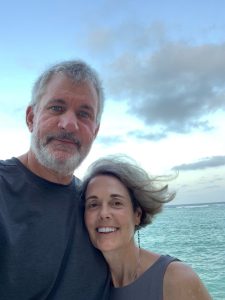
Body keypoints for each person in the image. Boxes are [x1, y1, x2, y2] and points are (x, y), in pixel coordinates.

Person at [0, 60, 110, 300]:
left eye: (84, 114)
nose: (69, 124)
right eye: (57, 108)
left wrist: (173, 272)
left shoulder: (97, 206)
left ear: (95, 130)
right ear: (31, 117)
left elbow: (132, 268)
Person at [82, 155, 212, 300]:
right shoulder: (85, 284)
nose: (104, 213)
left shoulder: (175, 278)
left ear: (137, 214)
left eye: (116, 203)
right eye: (93, 204)